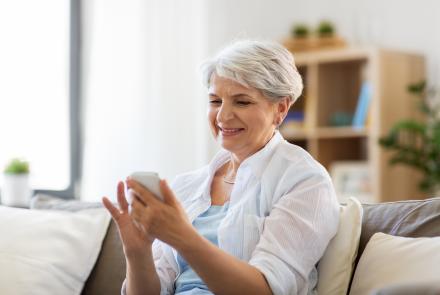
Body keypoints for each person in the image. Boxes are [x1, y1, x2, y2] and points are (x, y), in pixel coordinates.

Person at [102, 40, 339, 295]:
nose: (223, 116)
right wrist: (137, 253)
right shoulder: (187, 186)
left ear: (280, 108)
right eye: (215, 101)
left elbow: (266, 290)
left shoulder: (304, 180)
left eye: (242, 102)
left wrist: (183, 235)